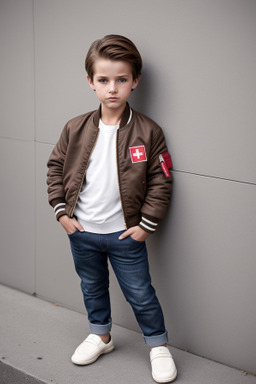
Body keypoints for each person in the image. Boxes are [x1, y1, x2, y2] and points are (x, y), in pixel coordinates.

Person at [47, 34, 177, 383]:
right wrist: (62, 213)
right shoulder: (74, 128)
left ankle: (158, 346)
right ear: (91, 82)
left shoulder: (149, 131)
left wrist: (146, 226)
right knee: (91, 286)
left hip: (125, 235)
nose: (113, 88)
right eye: (103, 80)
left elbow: (162, 180)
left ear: (135, 81)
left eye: (121, 79)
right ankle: (101, 335)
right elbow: (55, 168)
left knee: (140, 293)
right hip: (83, 232)